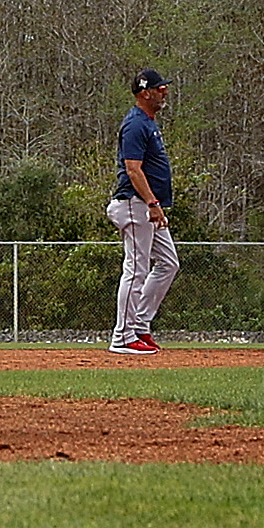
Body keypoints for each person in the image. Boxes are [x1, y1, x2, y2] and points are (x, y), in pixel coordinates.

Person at [108, 70, 179, 355]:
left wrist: (155, 205)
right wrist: (152, 203)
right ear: (144, 93)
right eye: (160, 88)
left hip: (148, 206)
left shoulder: (148, 124)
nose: (165, 93)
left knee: (168, 263)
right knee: (136, 267)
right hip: (135, 204)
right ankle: (122, 336)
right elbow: (133, 169)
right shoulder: (135, 124)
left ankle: (139, 324)